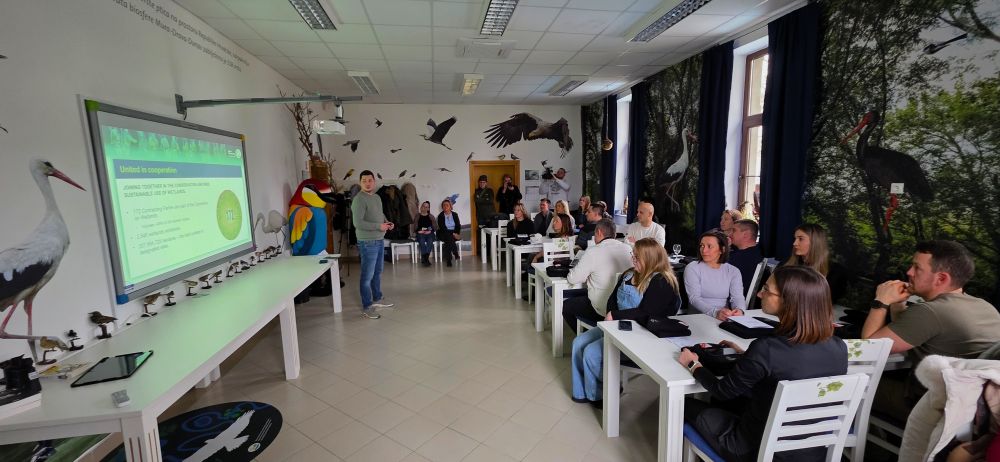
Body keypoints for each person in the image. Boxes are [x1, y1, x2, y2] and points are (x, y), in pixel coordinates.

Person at [678, 266, 848, 462]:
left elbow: (722, 391)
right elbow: (792, 368)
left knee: (682, 405)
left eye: (766, 289)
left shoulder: (767, 349)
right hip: (812, 453)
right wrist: (747, 356)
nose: (759, 294)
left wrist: (693, 365)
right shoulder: (839, 347)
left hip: (754, 450)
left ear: (789, 300)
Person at [864, 240, 1000, 420]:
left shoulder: (930, 312)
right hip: (969, 411)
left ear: (941, 278)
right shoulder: (986, 307)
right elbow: (909, 336)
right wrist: (898, 305)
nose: (909, 272)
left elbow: (867, 350)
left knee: (854, 385)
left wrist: (881, 301)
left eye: (917, 268)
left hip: (928, 406)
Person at [571, 238, 680, 405]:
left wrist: (614, 315)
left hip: (642, 334)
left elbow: (647, 313)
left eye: (637, 257)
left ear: (650, 258)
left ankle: (602, 393)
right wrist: (611, 315)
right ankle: (582, 392)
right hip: (617, 326)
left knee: (592, 353)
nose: (632, 260)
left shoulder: (661, 281)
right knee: (578, 343)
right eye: (633, 255)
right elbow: (612, 299)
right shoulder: (629, 273)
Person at [561, 219, 633, 330]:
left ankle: (587, 333)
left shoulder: (593, 251)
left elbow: (573, 279)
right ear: (614, 234)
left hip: (602, 309)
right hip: (624, 307)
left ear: (599, 232)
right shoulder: (627, 248)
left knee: (567, 306)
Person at [350, 170, 395, 319]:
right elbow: (358, 223)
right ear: (360, 183)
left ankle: (377, 298)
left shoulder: (376, 197)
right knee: (367, 275)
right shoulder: (358, 199)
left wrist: (386, 222)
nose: (367, 183)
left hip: (379, 239)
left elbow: (380, 214)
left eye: (370, 180)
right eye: (364, 181)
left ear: (374, 182)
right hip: (367, 242)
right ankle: (367, 306)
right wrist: (378, 226)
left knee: (377, 271)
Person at [684, 230, 746, 320]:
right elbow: (694, 298)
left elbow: (737, 297)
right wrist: (715, 313)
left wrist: (739, 310)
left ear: (722, 250)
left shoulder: (733, 271)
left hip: (724, 316)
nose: (704, 250)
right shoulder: (692, 267)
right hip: (698, 317)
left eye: (709, 246)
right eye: (702, 246)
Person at [728, 219, 763, 293]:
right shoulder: (757, 252)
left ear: (746, 235)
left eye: (734, 230)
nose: (729, 234)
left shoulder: (740, 259)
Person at [436, 199, 461, 267]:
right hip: (443, 233)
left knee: (449, 239)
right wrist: (453, 234)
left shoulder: (455, 214)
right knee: (448, 236)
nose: (445, 206)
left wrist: (456, 233)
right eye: (444, 205)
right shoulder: (440, 216)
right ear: (442, 207)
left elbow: (458, 225)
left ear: (450, 206)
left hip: (453, 234)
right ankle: (455, 253)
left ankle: (449, 260)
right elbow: (442, 228)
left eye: (447, 205)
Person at [413, 201, 435, 267]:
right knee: (421, 240)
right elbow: (415, 227)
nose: (425, 208)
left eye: (427, 207)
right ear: (421, 207)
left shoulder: (431, 216)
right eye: (424, 206)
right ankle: (426, 259)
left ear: (428, 208)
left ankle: (425, 258)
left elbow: (434, 227)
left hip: (429, 233)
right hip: (420, 233)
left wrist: (430, 230)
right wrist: (419, 231)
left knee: (430, 240)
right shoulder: (417, 216)